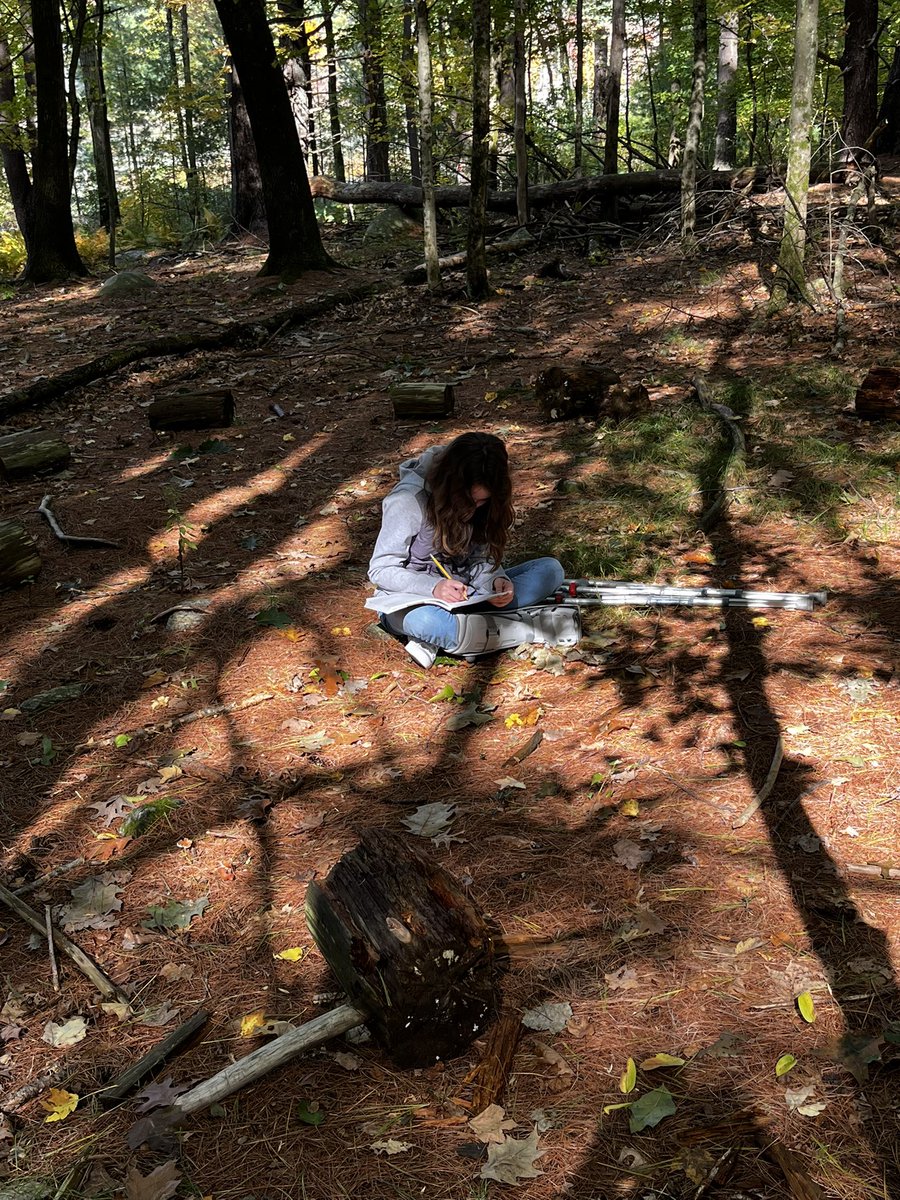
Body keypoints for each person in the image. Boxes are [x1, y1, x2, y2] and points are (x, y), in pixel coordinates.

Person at [368, 432, 576, 666]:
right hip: (413, 600)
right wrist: (434, 587)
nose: (474, 508)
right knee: (425, 621)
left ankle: (471, 633)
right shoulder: (408, 499)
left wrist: (495, 581)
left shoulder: (484, 504)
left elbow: (481, 558)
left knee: (550, 570)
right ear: (451, 487)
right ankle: (520, 628)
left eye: (482, 501)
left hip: (468, 597)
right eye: (469, 500)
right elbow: (381, 569)